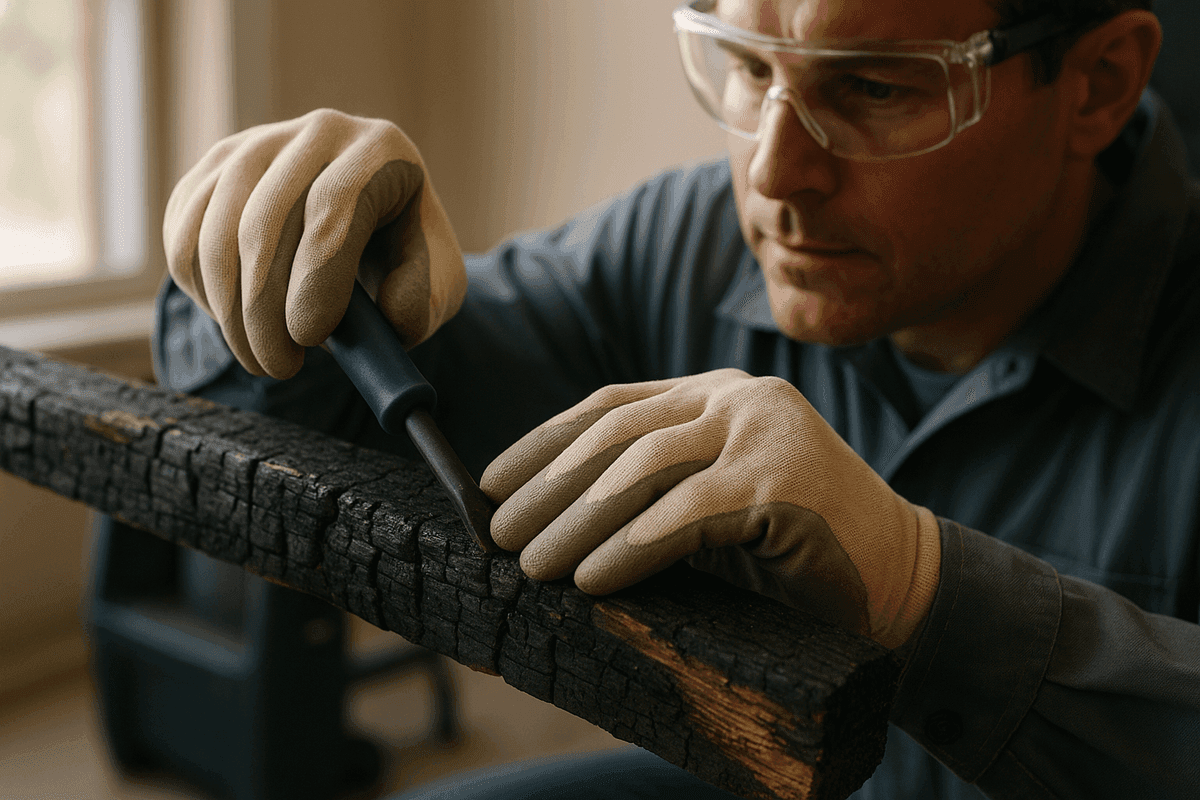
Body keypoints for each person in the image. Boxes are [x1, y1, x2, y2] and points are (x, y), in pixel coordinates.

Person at [155, 0, 1200, 797]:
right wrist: (279, 263)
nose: (776, 176)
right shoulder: (679, 242)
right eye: (748, 68)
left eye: (876, 89)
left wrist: (921, 587)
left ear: (1099, 84)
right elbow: (330, 421)